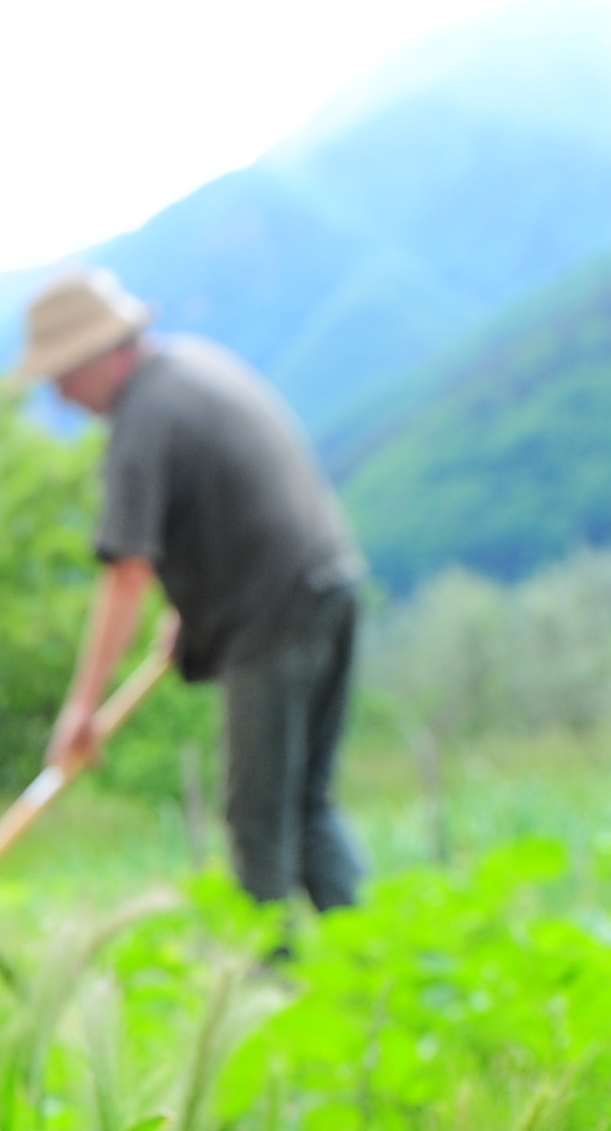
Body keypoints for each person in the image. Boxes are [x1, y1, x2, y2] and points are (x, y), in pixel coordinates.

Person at [20, 266, 370, 913]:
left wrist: (83, 706)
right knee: (308, 804)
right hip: (331, 584)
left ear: (103, 355)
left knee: (258, 819)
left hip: (274, 615)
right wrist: (196, 604)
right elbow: (230, 502)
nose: (62, 396)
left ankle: (270, 984)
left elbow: (127, 573)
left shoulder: (143, 421)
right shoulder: (192, 368)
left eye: (64, 377)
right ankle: (370, 970)